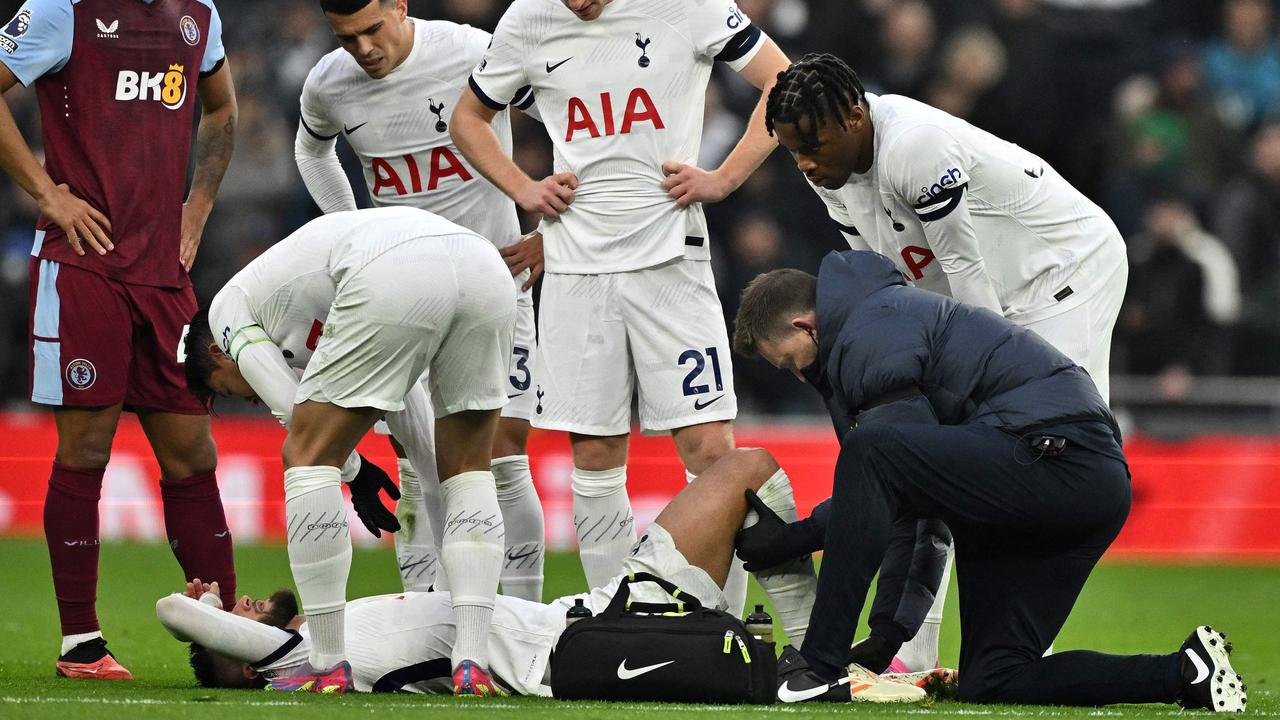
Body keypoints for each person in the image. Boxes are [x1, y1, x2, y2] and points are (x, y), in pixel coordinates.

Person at [731, 251, 1245, 711]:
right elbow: (914, 491)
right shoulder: (880, 322)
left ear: (806, 326)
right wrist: (887, 637)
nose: (799, 376)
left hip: (1058, 461)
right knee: (996, 678)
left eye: (790, 362)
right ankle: (1184, 673)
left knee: (872, 451)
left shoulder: (872, 327)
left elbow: (893, 472)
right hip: (1061, 481)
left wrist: (794, 538)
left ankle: (819, 668)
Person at [763, 52, 1130, 671]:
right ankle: (915, 655)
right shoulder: (827, 166)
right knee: (930, 452)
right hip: (983, 294)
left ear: (856, 116)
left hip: (1060, 273)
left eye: (814, 147)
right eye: (793, 152)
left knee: (1041, 453)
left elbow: (965, 274)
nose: (805, 164)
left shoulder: (916, 149)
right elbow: (888, 286)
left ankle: (1030, 649)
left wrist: (965, 383)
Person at [450, 0, 791, 613]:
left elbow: (782, 80)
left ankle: (722, 624)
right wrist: (524, 188)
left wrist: (724, 177)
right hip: (577, 267)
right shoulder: (528, 18)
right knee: (596, 453)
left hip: (671, 263)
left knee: (712, 451)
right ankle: (613, 616)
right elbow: (469, 117)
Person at [157, 448, 929, 702]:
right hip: (572, 647)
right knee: (771, 682)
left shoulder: (324, 628)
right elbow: (173, 609)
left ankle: (818, 646)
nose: (244, 605)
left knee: (747, 468)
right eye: (236, 626)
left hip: (589, 609)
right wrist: (208, 601)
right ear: (244, 664)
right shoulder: (299, 665)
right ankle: (845, 673)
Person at [0, 0, 237, 681]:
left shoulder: (199, 14)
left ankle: (227, 641)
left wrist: (198, 204)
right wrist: (48, 194)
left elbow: (223, 111)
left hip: (164, 275)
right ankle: (81, 642)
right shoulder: (60, 9)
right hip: (84, 264)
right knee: (87, 447)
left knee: (193, 452)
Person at [184, 206, 513, 695]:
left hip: (396, 269)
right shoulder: (313, 319)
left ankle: (328, 662)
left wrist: (353, 468)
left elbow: (288, 407)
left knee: (304, 459)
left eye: (231, 390)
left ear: (218, 353)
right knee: (462, 471)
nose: (246, 397)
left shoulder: (227, 310)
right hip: (483, 269)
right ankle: (471, 658)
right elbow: (414, 428)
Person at [293, 0, 546, 601]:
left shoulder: (471, 51)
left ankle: (524, 620)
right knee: (416, 462)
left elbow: (567, 113)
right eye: (347, 38)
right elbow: (312, 150)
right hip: (402, 301)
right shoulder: (329, 82)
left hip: (495, 285)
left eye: (373, 30)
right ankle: (426, 616)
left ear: (400, 7)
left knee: (503, 456)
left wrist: (553, 235)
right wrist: (353, 232)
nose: (364, 49)